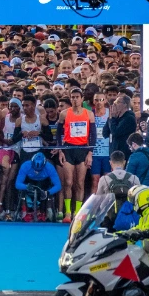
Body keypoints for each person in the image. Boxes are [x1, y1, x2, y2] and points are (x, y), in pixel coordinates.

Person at [59, 89, 95, 224]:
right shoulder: (64, 114)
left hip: (83, 149)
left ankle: (78, 213)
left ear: (81, 99)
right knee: (68, 182)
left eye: (77, 97)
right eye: (72, 97)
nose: (74, 100)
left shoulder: (89, 114)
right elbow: (58, 134)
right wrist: (60, 150)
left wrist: (90, 153)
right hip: (68, 148)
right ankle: (68, 212)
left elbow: (93, 135)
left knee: (80, 183)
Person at [13, 152, 62, 222]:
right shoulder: (25, 166)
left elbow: (58, 185)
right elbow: (17, 184)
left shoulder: (50, 167)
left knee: (47, 188)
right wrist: (26, 187)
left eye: (39, 170)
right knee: (21, 190)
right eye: (35, 169)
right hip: (30, 183)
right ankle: (25, 211)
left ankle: (43, 211)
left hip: (44, 184)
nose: (37, 172)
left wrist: (48, 192)